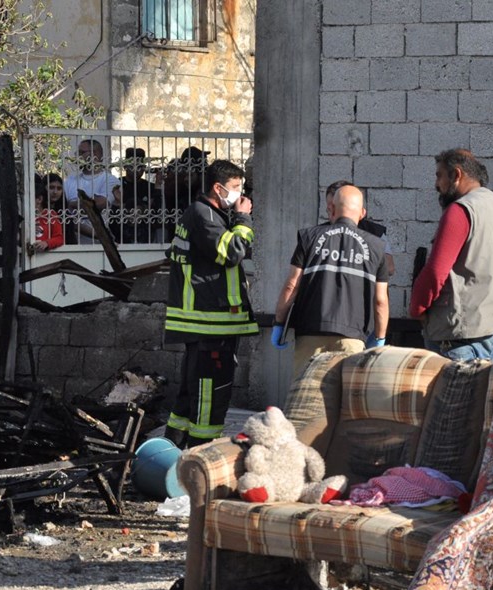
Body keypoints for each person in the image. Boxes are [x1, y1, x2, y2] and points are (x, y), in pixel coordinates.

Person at [163, 159, 258, 448]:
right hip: (209, 322)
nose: (240, 195)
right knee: (209, 393)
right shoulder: (203, 215)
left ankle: (171, 448)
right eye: (235, 187)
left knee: (192, 391)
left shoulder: (207, 215)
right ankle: (199, 453)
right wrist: (243, 219)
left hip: (208, 323)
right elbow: (233, 252)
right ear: (218, 188)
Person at [409, 148, 493, 361]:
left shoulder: (460, 210)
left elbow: (435, 271)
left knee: (452, 395)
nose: (436, 185)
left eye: (439, 175)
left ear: (457, 175)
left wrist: (416, 308)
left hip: (460, 337)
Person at [272, 184, 390, 375]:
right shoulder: (377, 247)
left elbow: (291, 285)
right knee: (343, 398)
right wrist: (380, 336)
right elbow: (380, 300)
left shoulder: (309, 237)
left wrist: (279, 323)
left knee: (304, 396)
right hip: (352, 337)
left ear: (332, 209)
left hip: (310, 331)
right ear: (362, 213)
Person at [322, 181, 396, 278]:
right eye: (329, 209)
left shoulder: (375, 233)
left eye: (338, 208)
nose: (332, 214)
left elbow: (389, 268)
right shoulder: (319, 234)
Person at [63, 139, 122, 244]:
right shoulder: (70, 181)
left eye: (82, 152)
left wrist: (73, 204)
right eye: (78, 153)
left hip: (103, 244)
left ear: (96, 154)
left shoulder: (110, 180)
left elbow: (100, 204)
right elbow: (64, 210)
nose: (78, 156)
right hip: (74, 244)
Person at [30, 183, 64, 252]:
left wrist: (46, 243)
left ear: (39, 199)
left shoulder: (50, 215)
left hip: (46, 257)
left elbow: (59, 238)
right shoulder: (24, 216)